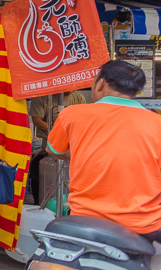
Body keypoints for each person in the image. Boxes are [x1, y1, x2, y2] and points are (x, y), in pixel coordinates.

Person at [47, 60, 161, 242]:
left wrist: (80, 152)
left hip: (86, 221)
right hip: (143, 225)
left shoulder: (72, 114)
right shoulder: (156, 122)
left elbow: (53, 150)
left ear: (100, 83)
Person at [27, 89, 85, 204]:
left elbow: (82, 120)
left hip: (70, 149)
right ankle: (39, 203)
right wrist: (58, 130)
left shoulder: (78, 98)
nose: (71, 89)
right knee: (38, 175)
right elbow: (37, 120)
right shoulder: (42, 97)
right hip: (45, 146)